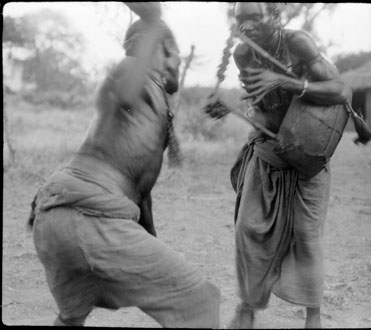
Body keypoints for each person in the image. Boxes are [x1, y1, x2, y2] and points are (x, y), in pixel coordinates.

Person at [28, 3, 220, 327]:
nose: (177, 60)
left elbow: (141, 194)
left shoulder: (153, 104)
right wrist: (152, 24)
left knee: (72, 317)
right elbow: (126, 90)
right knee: (200, 301)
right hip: (85, 215)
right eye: (170, 50)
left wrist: (153, 246)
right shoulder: (132, 70)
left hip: (59, 218)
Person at [228, 3, 352, 329]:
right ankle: (247, 307)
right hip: (268, 152)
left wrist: (286, 82)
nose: (247, 25)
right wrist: (226, 106)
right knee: (248, 229)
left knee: (307, 236)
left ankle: (314, 316)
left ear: (275, 16)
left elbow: (341, 91)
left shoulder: (298, 43)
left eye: (255, 17)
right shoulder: (242, 54)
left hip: (306, 154)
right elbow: (261, 108)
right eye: (240, 19)